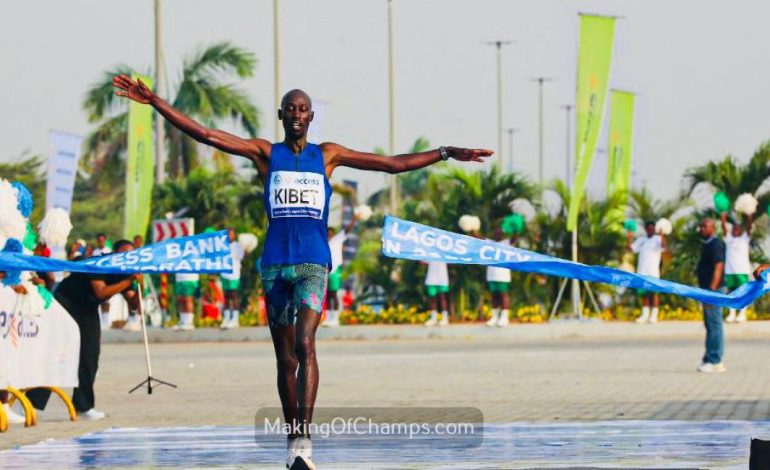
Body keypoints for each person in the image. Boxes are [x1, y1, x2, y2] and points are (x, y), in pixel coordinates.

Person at [113, 75, 491, 469]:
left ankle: (303, 445)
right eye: (290, 108)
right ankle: (292, 438)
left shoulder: (327, 155)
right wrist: (155, 100)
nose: (296, 114)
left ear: (312, 116)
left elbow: (392, 165)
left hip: (313, 263)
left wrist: (446, 152)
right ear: (281, 115)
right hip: (275, 266)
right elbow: (206, 134)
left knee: (305, 345)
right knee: (284, 360)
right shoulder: (264, 153)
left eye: (303, 108)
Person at [26, 240, 142, 420]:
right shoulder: (98, 264)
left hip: (88, 309)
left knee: (90, 355)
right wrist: (128, 281)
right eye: (124, 253)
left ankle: (83, 405)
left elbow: (134, 306)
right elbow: (101, 293)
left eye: (131, 254)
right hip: (66, 303)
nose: (127, 257)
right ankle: (33, 403)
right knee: (57, 353)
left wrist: (137, 287)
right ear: (114, 253)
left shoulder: (125, 273)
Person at [696, 218, 727, 373]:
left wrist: (712, 292)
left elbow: (718, 267)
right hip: (706, 290)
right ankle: (708, 357)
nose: (702, 228)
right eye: (701, 226)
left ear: (713, 228)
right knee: (709, 324)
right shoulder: (706, 245)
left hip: (713, 290)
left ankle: (716, 360)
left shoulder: (716, 244)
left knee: (715, 325)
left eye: (705, 226)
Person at [322, 215, 358, 327]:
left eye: (331, 233)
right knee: (327, 295)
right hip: (325, 270)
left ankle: (335, 319)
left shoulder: (338, 239)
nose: (329, 235)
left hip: (336, 269)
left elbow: (347, 229)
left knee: (333, 294)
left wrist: (354, 219)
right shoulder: (323, 243)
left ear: (334, 233)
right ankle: (328, 318)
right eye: (327, 233)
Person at [627, 221, 666, 323]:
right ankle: (645, 315)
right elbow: (631, 249)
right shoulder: (641, 240)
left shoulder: (658, 239)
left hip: (653, 272)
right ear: (646, 229)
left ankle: (654, 315)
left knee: (654, 294)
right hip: (642, 271)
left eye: (652, 228)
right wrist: (630, 237)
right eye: (648, 228)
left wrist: (662, 234)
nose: (650, 230)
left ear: (655, 229)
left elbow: (663, 246)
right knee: (644, 294)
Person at [721, 212, 753, 323]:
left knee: (743, 292)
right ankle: (732, 314)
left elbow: (749, 228)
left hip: (742, 271)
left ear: (740, 230)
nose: (735, 230)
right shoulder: (729, 239)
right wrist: (723, 218)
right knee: (731, 293)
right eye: (733, 228)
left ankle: (742, 314)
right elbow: (724, 229)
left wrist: (749, 218)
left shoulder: (745, 238)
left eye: (737, 229)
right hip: (730, 271)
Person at [485, 228, 515, 327]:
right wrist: (471, 227)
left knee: (503, 295)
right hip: (491, 275)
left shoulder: (506, 243)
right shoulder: (489, 242)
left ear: (503, 234)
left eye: (499, 233)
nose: (497, 234)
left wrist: (515, 229)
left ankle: (504, 317)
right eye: (495, 233)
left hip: (503, 275)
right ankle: (494, 317)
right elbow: (478, 238)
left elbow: (515, 238)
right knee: (494, 296)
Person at [221, 228, 244, 329]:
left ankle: (235, 319)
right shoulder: (222, 246)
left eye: (231, 234)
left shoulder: (238, 246)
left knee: (233, 296)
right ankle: (226, 318)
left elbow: (242, 257)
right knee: (225, 297)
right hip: (224, 274)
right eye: (227, 234)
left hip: (234, 274)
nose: (229, 236)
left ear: (234, 235)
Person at [91, 233, 113, 330]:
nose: (101, 242)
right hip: (96, 277)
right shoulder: (95, 252)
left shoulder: (109, 251)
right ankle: (99, 321)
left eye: (102, 240)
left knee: (106, 300)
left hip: (106, 277)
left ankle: (106, 321)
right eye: (99, 240)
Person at [424, 261, 450, 327]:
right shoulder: (429, 251)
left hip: (442, 277)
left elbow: (450, 261)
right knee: (433, 298)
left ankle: (445, 318)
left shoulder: (445, 251)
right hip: (431, 277)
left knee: (443, 297)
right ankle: (433, 319)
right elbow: (423, 262)